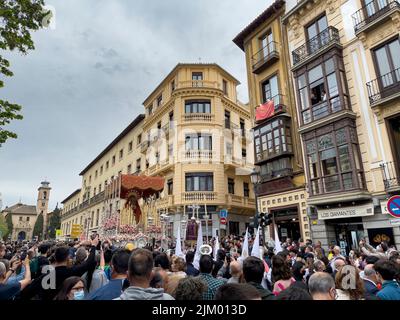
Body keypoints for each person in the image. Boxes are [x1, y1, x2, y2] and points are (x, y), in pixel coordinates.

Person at [20, 235, 98, 300]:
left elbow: (26, 292)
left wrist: (79, 244)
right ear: (68, 259)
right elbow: (89, 262)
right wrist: (94, 246)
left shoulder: (46, 276)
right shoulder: (72, 272)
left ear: (55, 258)